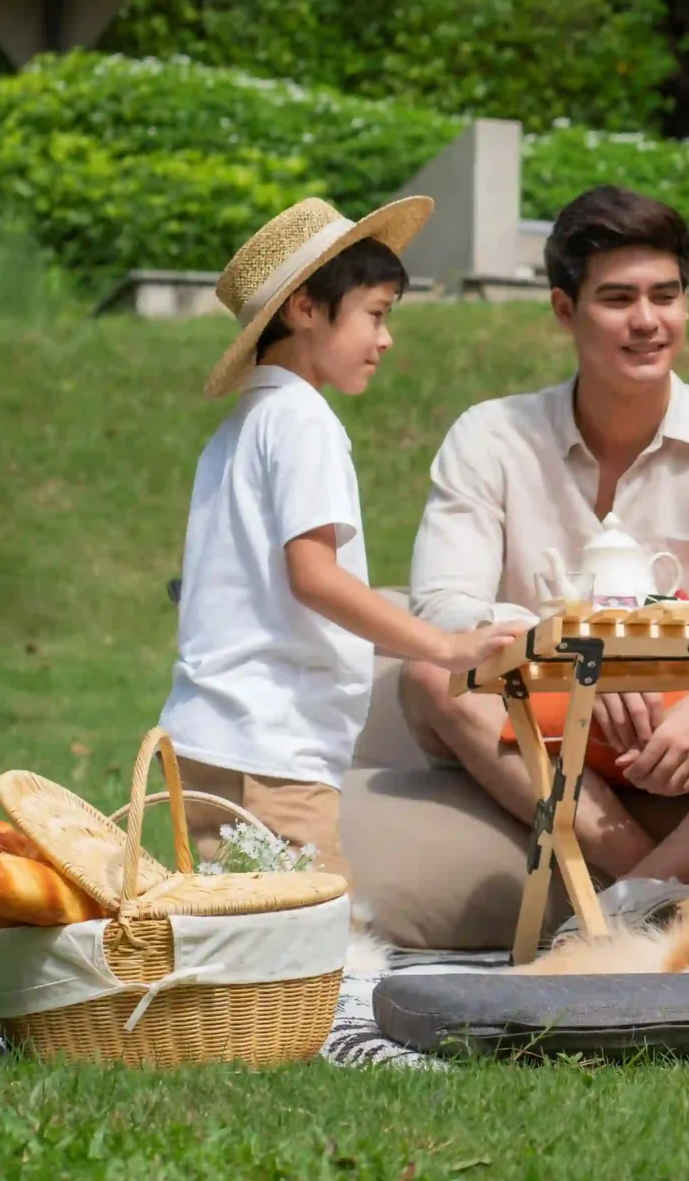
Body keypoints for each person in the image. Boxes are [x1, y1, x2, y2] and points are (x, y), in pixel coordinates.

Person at [401, 185, 689, 889]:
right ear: (566, 309)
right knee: (428, 677)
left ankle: (631, 902)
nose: (648, 321)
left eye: (666, 296)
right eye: (618, 299)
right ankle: (648, 896)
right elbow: (443, 609)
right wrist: (583, 663)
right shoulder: (490, 439)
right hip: (550, 719)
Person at [163, 196, 527, 884]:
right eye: (376, 314)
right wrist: (448, 647)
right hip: (271, 752)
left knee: (231, 946)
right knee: (301, 951)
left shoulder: (246, 424)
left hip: (212, 737)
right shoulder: (304, 422)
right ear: (305, 309)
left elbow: (292, 599)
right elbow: (318, 579)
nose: (385, 339)